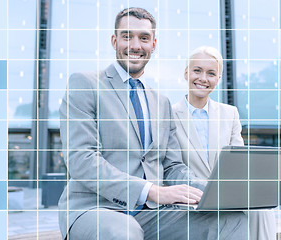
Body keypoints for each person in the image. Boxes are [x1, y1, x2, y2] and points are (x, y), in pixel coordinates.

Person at [58, 7, 248, 240]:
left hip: (151, 214)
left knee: (231, 219)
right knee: (124, 233)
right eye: (127, 36)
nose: (136, 45)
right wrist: (152, 191)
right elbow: (81, 159)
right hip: (97, 208)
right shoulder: (85, 84)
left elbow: (173, 167)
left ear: (153, 45)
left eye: (144, 38)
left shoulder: (161, 103)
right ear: (114, 40)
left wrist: (214, 190)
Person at [172, 46, 277, 239]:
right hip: (189, 197)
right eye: (197, 70)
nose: (203, 78)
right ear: (186, 73)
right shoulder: (167, 115)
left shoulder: (230, 114)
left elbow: (238, 164)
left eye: (211, 73)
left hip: (226, 193)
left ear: (218, 80)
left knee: (262, 209)